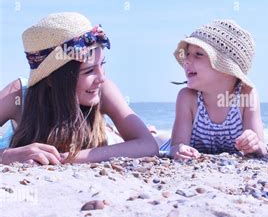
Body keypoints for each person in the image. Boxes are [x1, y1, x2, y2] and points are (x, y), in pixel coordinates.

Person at [0, 12, 158, 165]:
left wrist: (71, 157)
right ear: (51, 79)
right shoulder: (19, 94)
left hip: (109, 140)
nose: (101, 77)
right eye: (89, 71)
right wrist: (7, 155)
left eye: (102, 64)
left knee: (156, 137)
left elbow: (148, 145)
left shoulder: (104, 89)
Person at [165, 19, 266, 159]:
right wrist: (179, 149)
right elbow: (175, 146)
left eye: (198, 54)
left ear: (226, 69)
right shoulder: (188, 98)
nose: (187, 60)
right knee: (157, 140)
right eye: (187, 53)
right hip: (165, 144)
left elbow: (261, 146)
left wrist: (254, 143)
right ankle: (151, 133)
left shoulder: (246, 95)